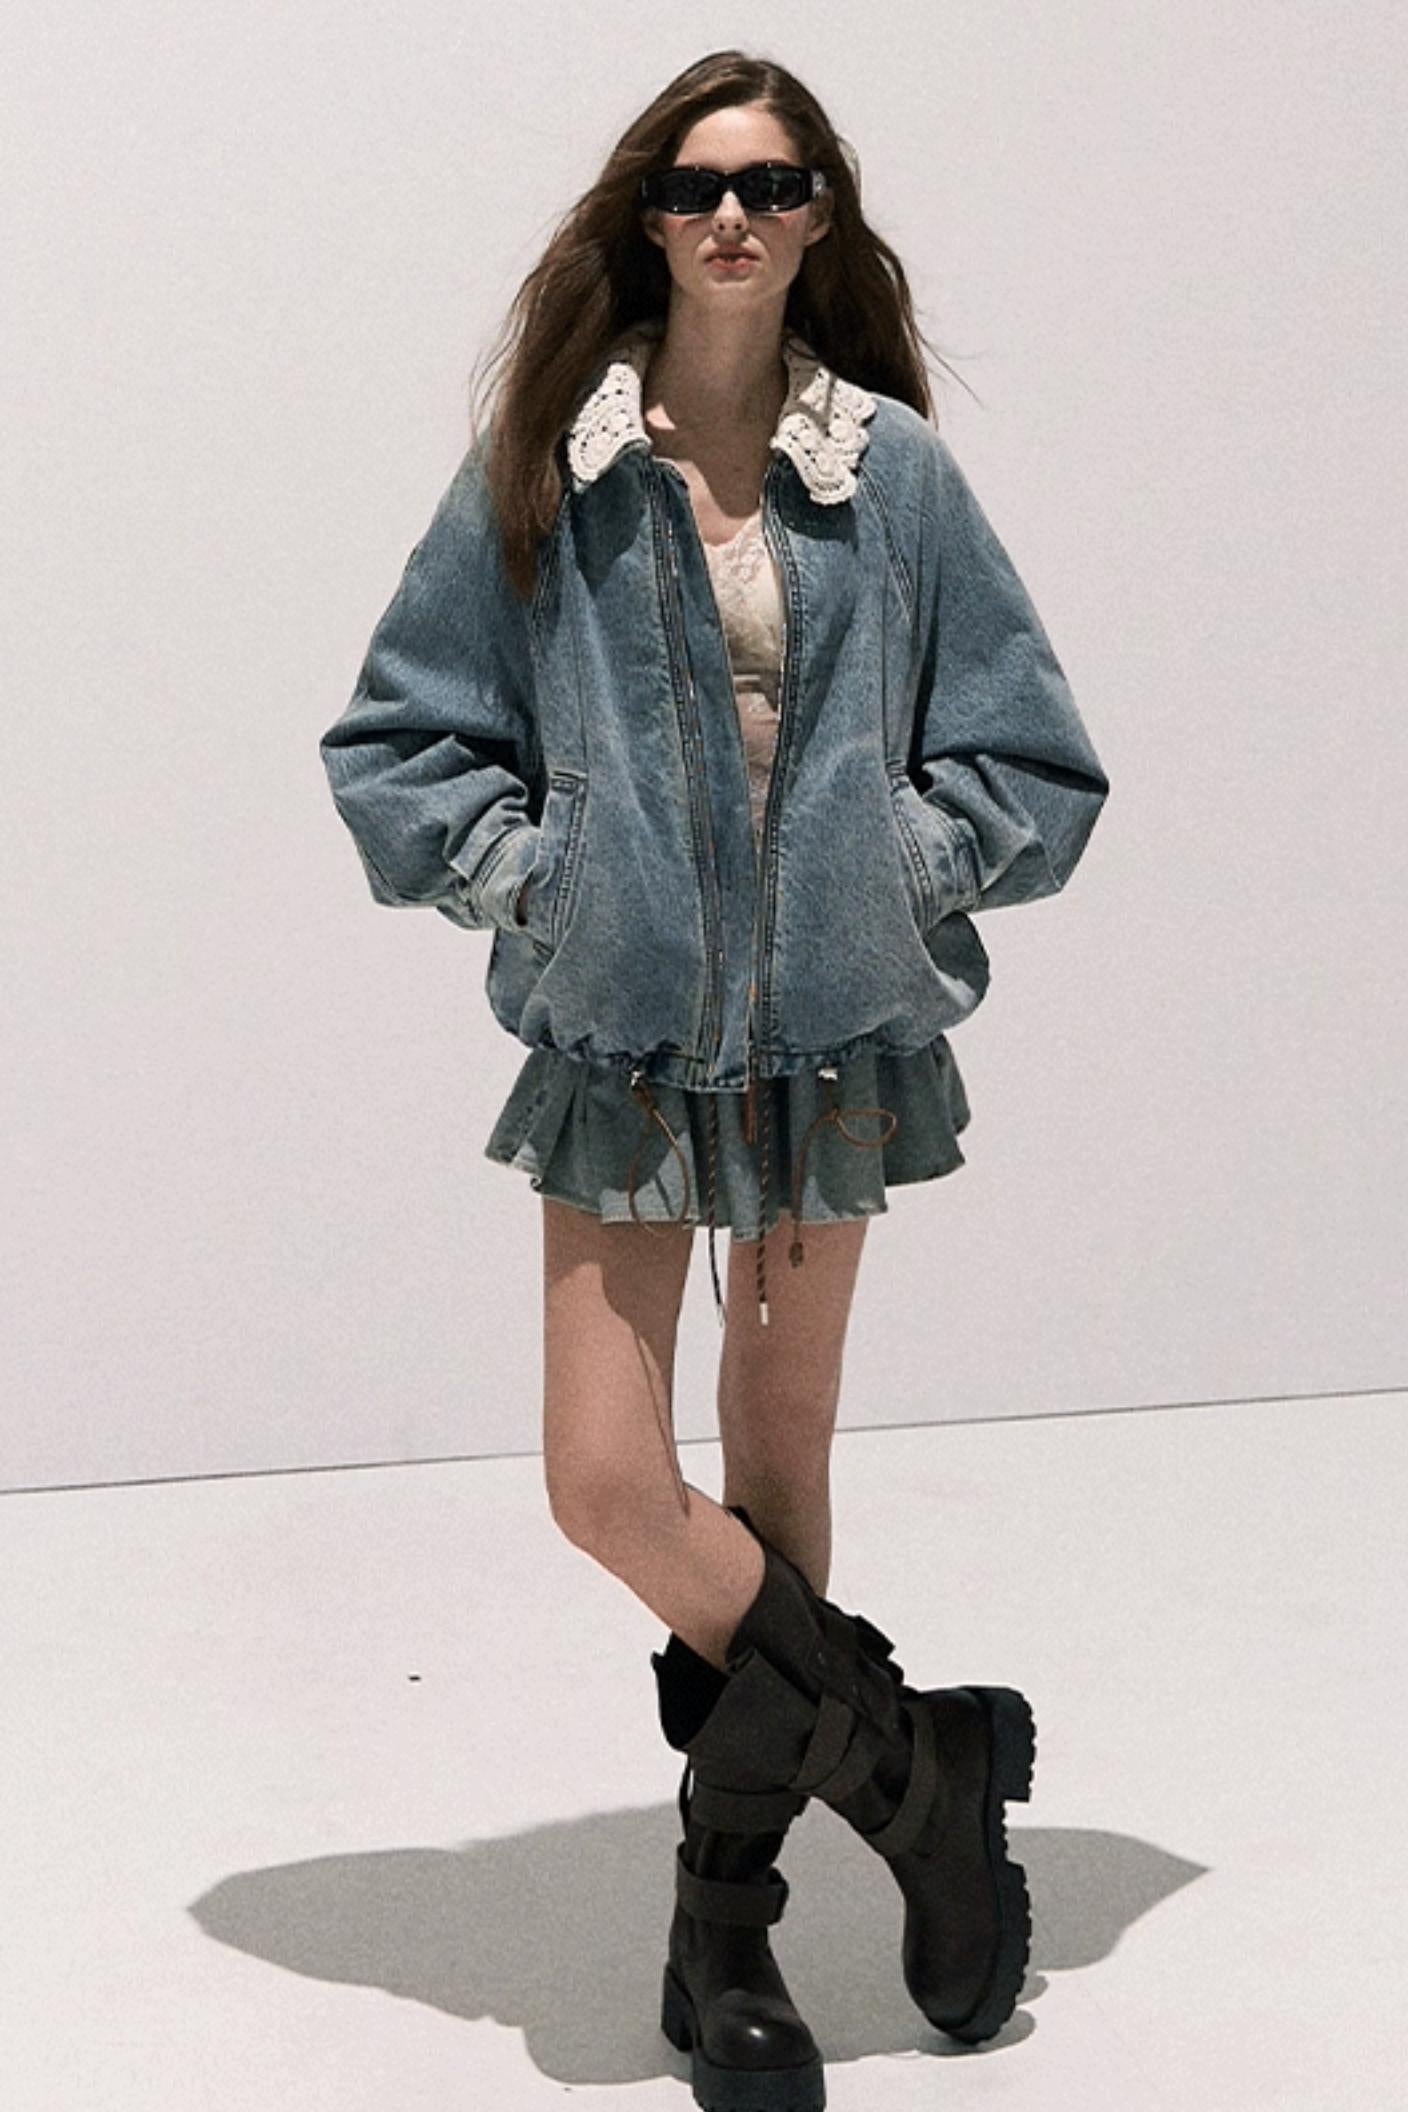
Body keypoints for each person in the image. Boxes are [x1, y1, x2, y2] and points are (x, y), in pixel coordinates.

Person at [319, 48, 1108, 2112]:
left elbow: (1030, 762)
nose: (731, 217)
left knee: (772, 1485)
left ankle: (725, 1928)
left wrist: (889, 875)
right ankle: (916, 1762)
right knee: (607, 1485)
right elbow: (397, 744)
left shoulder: (893, 476)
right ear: (645, 221)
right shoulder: (552, 467)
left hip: (834, 1051)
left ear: (819, 215)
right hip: (627, 1050)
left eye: (768, 184)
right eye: (693, 187)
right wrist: (546, 884)